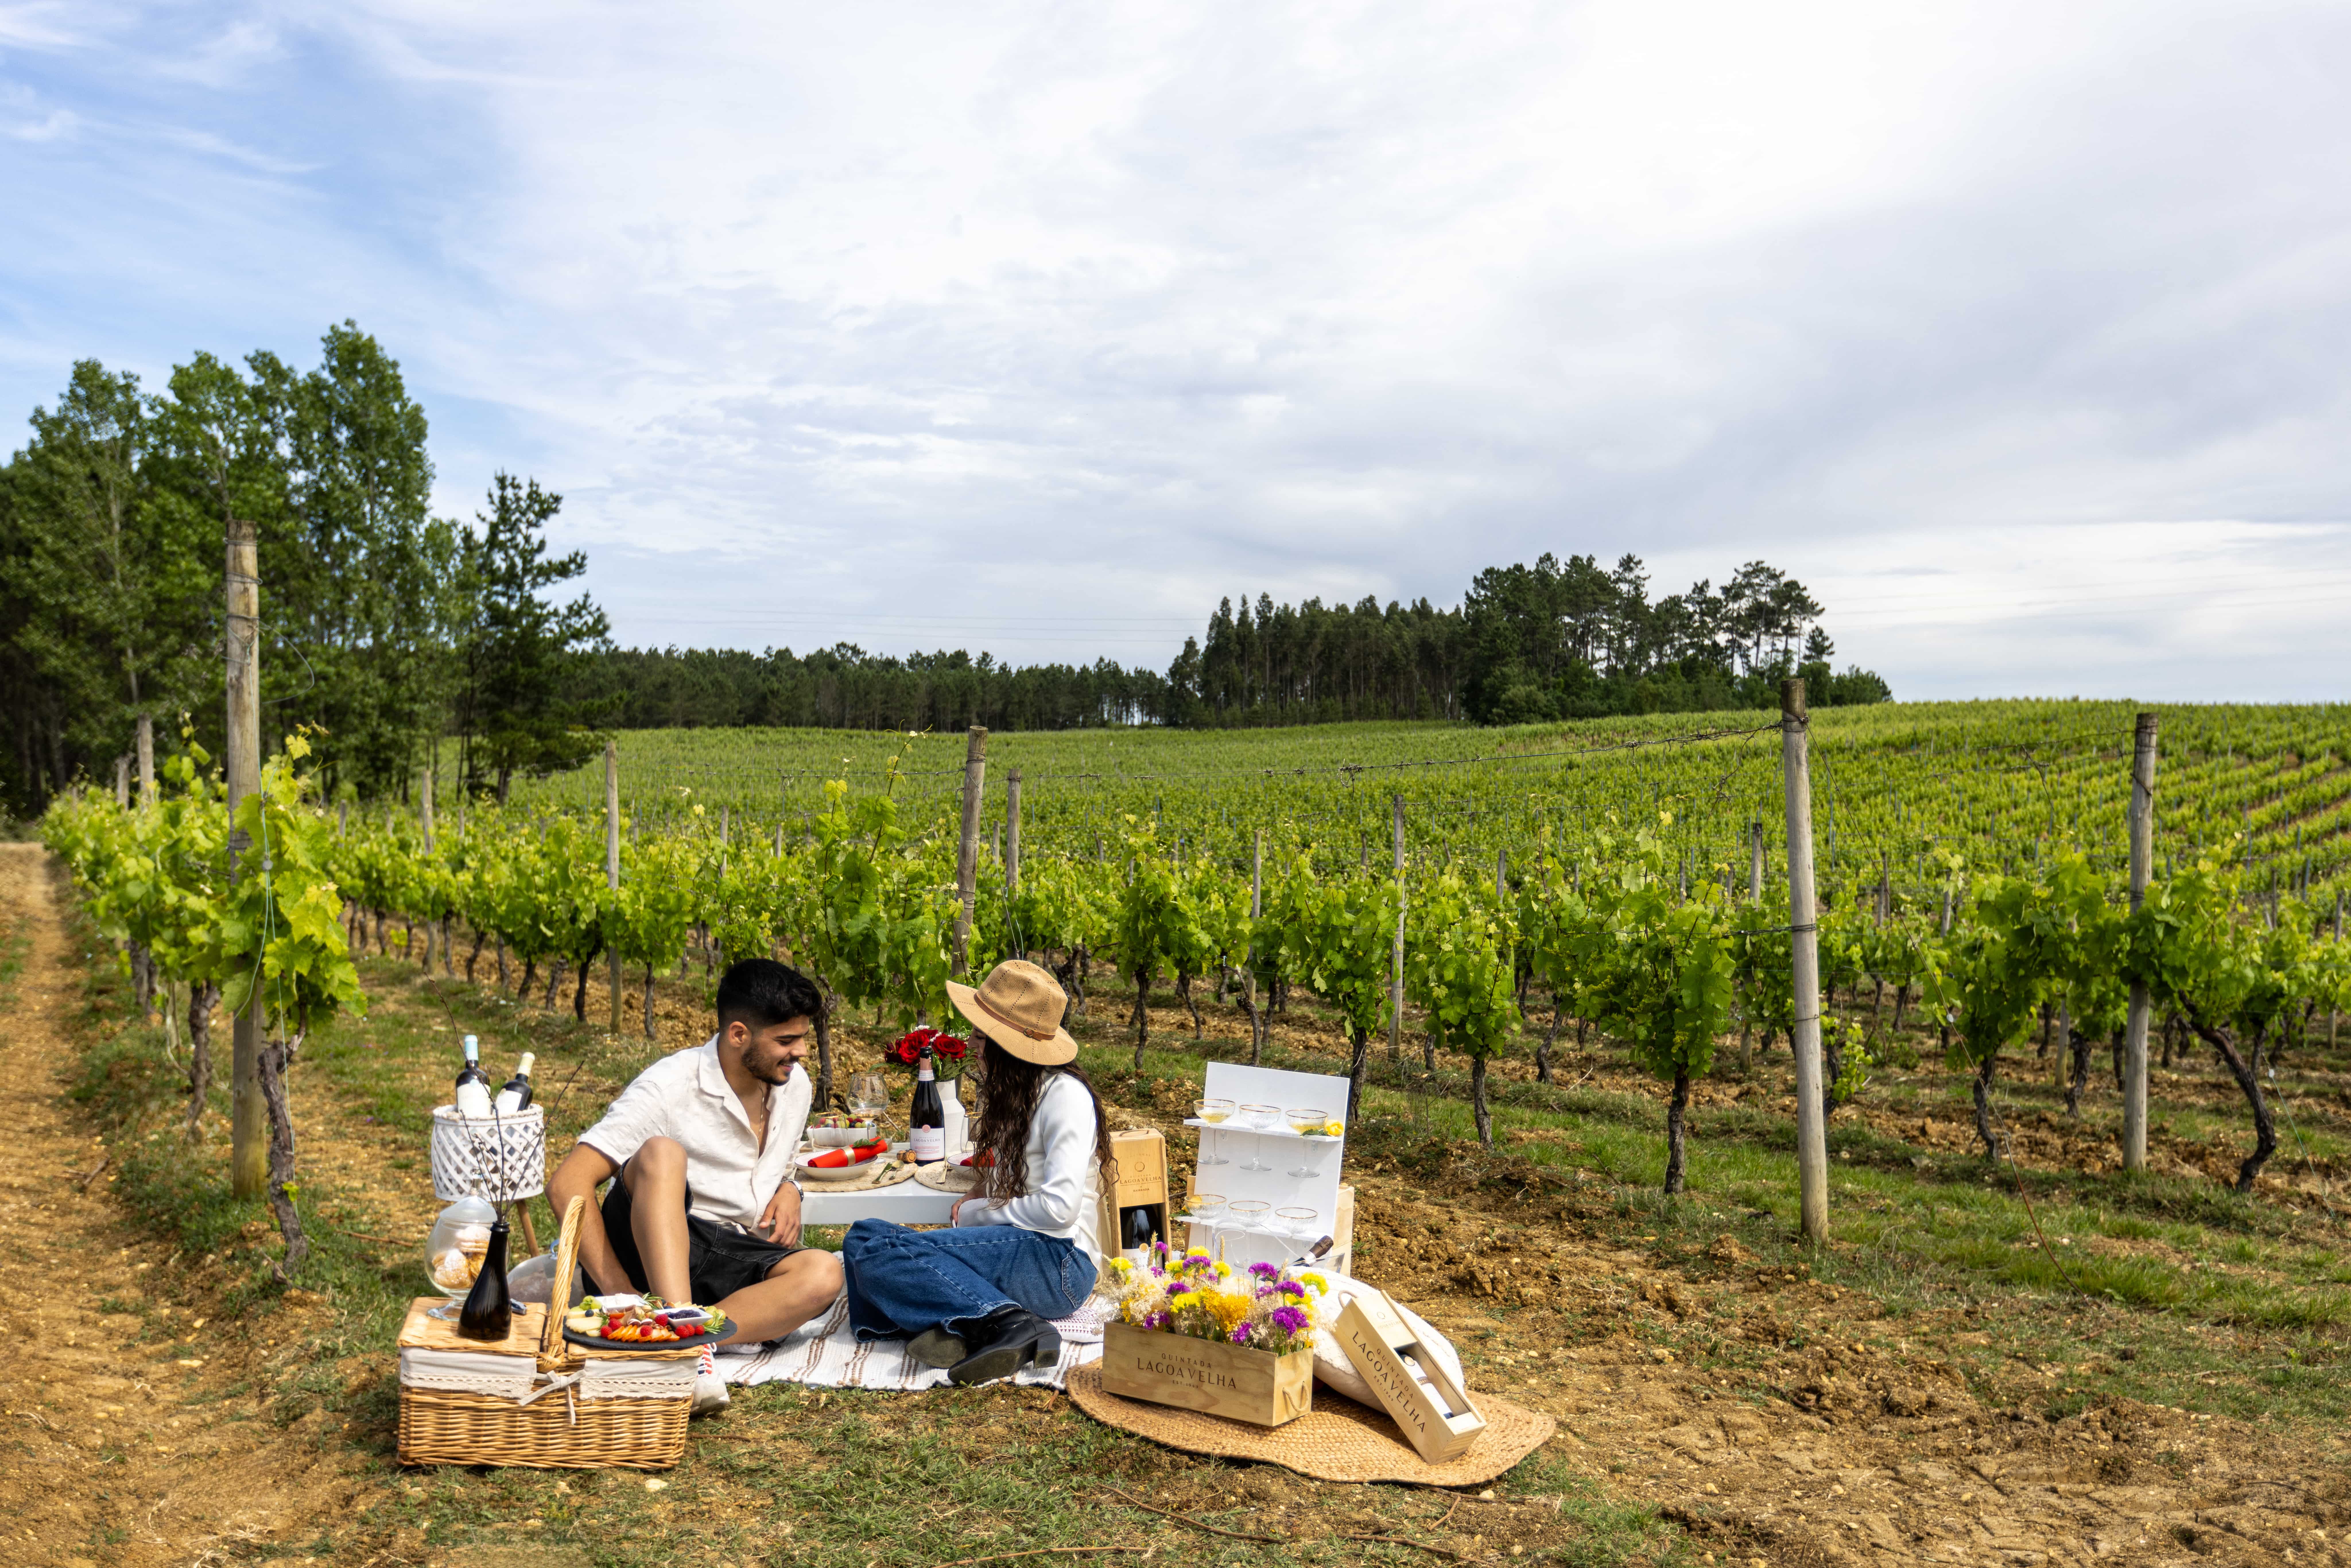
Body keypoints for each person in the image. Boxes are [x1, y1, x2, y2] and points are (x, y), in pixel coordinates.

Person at [548, 958, 844, 1414]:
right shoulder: (669, 1086)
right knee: (662, 1154)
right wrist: (620, 1293)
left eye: (803, 1038)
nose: (802, 1051)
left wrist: (791, 1188)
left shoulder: (795, 1085)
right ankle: (681, 1348)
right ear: (739, 1035)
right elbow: (567, 1183)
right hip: (653, 1246)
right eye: (787, 1041)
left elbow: (779, 1165)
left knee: (824, 1273)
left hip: (730, 1250)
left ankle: (684, 1336)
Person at [841, 959, 1111, 1386]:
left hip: (1059, 1264)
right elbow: (1022, 1169)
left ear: (1010, 1046)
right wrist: (985, 1188)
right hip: (1024, 1245)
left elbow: (1060, 1209)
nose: (971, 1044)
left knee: (879, 1257)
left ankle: (1012, 1325)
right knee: (862, 1237)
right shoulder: (1019, 1092)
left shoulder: (1065, 1097)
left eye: (982, 1036)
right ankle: (966, 1327)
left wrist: (979, 1214)